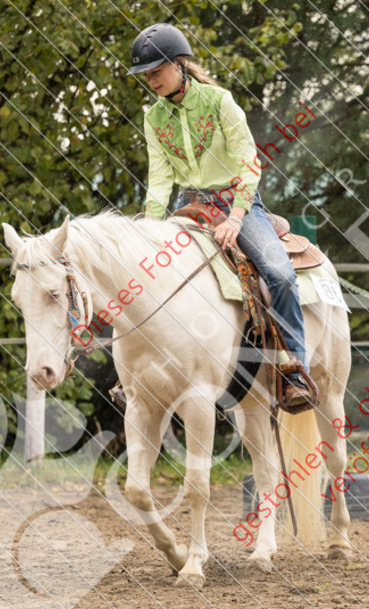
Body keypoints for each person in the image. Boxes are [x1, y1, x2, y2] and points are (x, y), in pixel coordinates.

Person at [128, 22, 314, 408]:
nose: (151, 80)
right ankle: (136, 371)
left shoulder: (219, 101)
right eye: (145, 75)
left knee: (278, 273)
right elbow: (160, 179)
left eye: (156, 71)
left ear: (179, 64)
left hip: (237, 204)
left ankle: (294, 368)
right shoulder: (154, 119)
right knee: (147, 275)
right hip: (191, 207)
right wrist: (148, 226)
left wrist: (235, 217)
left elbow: (249, 164)